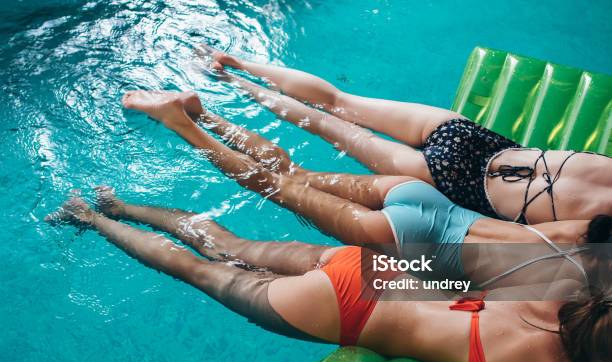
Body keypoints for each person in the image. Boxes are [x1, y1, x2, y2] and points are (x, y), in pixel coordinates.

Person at [46, 190, 611, 362]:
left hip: (374, 272)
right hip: (349, 309)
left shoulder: (562, 292)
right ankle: (92, 222)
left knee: (228, 244)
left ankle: (112, 207)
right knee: (198, 273)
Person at [121, 90, 602, 288]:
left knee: (294, 172)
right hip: (408, 237)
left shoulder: (590, 230)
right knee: (271, 185)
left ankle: (203, 113)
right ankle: (181, 123)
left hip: (419, 197)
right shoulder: (578, 290)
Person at [198, 46, 612, 225]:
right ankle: (241, 89)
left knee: (337, 99)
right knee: (324, 125)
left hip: (471, 139)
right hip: (457, 180)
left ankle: (234, 64)